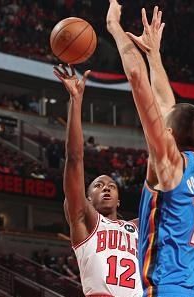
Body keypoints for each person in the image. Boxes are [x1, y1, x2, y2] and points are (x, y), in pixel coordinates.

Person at [107, 2, 194, 296]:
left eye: (166, 123)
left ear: (169, 133)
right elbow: (167, 105)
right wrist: (154, 54)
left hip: (163, 289)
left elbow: (138, 81)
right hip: (188, 289)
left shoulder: (168, 163)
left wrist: (114, 27)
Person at [53, 64, 142, 297]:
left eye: (112, 186)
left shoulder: (135, 227)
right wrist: (76, 100)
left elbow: (166, 201)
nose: (106, 189)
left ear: (119, 200)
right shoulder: (85, 220)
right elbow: (74, 158)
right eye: (99, 186)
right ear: (87, 198)